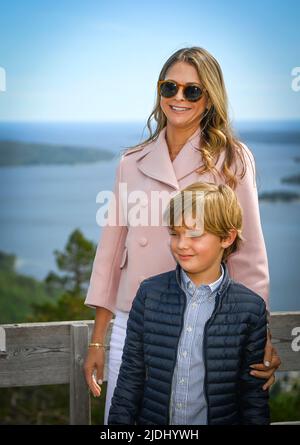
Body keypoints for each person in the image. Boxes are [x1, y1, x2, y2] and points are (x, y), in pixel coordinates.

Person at [83, 46, 280, 425]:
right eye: (169, 87)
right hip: (133, 321)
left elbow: (249, 253)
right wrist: (98, 339)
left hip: (206, 319)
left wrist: (261, 333)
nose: (178, 98)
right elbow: (110, 256)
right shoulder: (131, 162)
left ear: (209, 100)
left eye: (192, 91)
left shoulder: (233, 160)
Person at [108, 182, 270, 425]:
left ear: (227, 237)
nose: (181, 244)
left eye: (194, 233)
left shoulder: (250, 309)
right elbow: (130, 376)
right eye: (175, 233)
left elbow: (253, 399)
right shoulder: (149, 295)